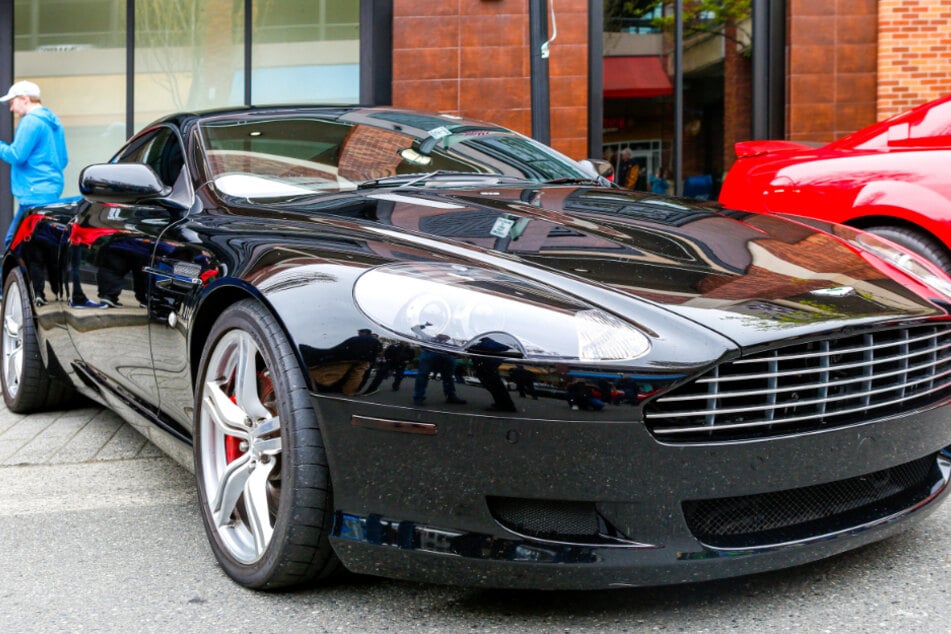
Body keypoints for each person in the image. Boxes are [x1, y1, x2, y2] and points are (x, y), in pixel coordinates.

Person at [0, 81, 69, 249]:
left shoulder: (31, 121)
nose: (11, 109)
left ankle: (16, 276)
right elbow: (63, 160)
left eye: (12, 103)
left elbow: (16, 155)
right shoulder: (53, 121)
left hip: (33, 192)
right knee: (37, 245)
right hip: (49, 190)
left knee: (14, 242)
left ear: (24, 99)